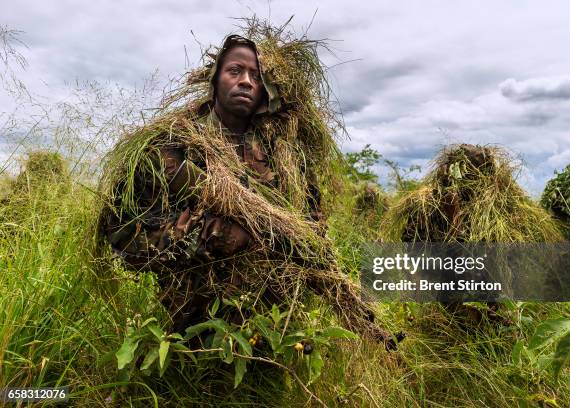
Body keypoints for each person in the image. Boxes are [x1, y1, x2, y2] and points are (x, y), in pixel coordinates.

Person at [99, 33, 396, 346]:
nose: (246, 81)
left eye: (256, 76)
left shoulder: (285, 154)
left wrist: (298, 237)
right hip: (193, 333)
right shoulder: (170, 148)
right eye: (235, 71)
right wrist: (208, 237)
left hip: (277, 330)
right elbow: (122, 236)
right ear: (214, 81)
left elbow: (314, 223)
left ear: (266, 91)